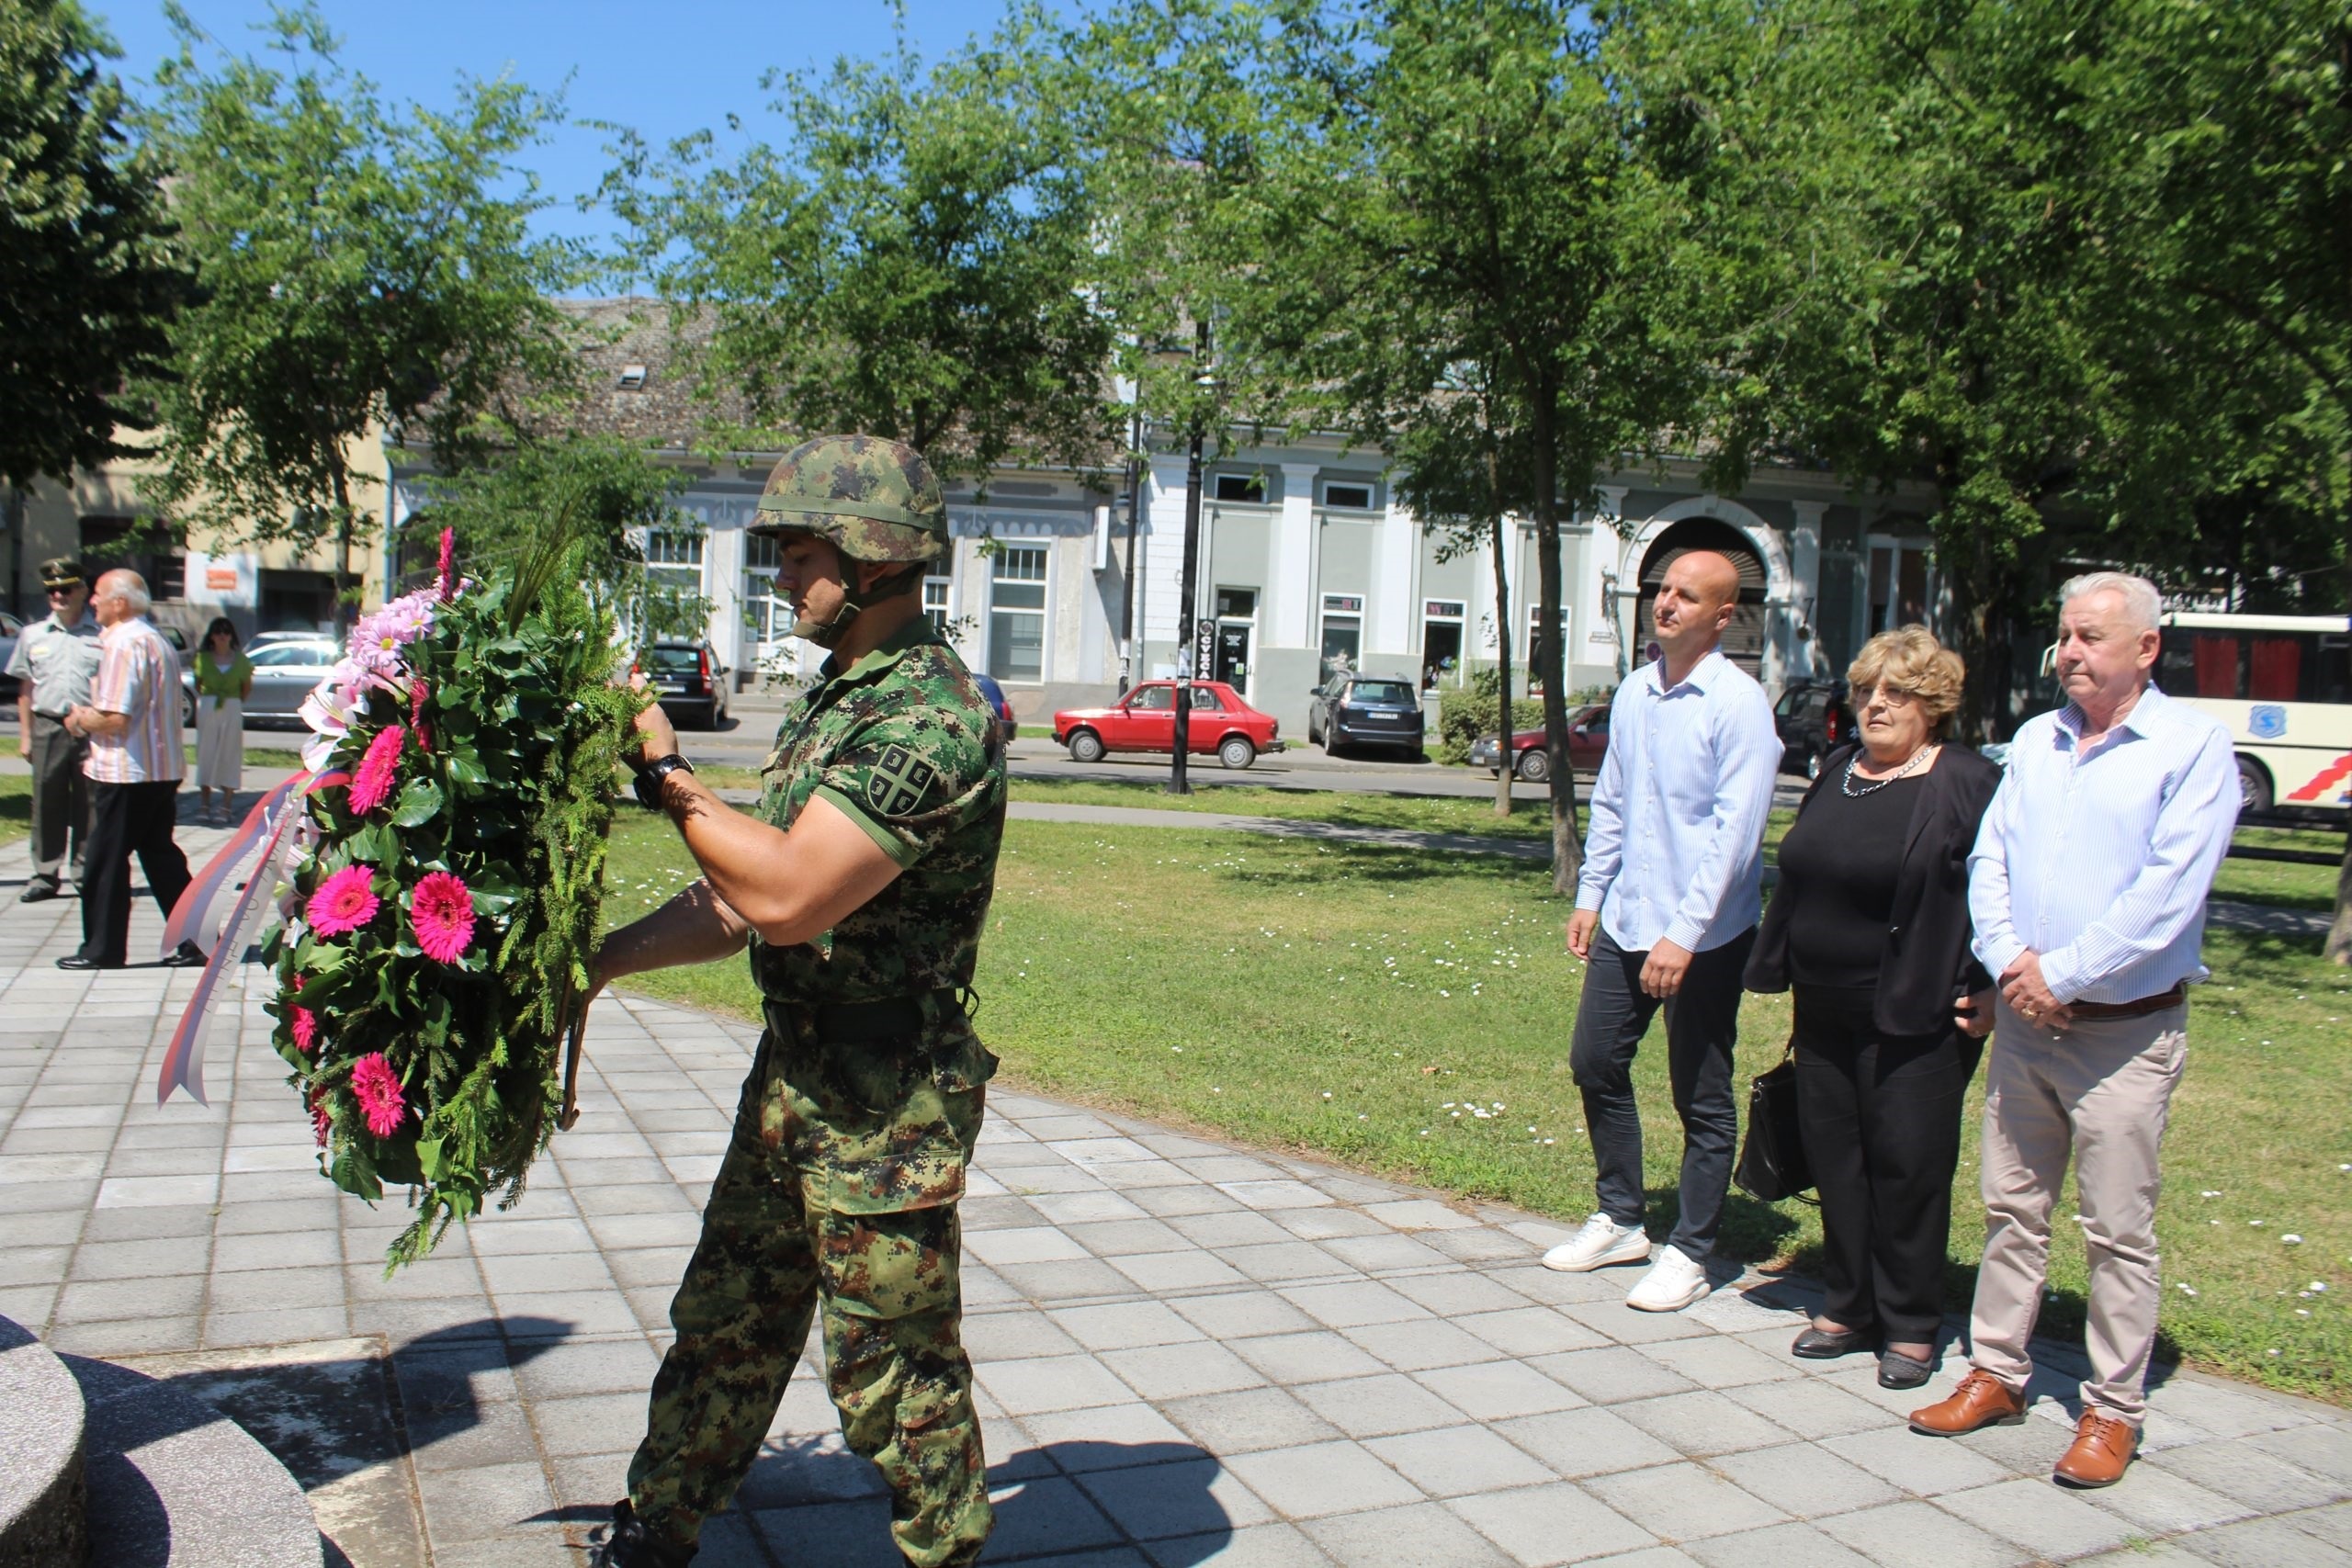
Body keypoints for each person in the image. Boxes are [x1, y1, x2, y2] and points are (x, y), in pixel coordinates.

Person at [590, 436, 1006, 1568]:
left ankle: (944, 1555)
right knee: (725, 1322)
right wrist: (598, 962)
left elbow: (785, 895)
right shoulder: (838, 699)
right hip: (797, 1076)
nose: (781, 574)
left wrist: (663, 775)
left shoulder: (928, 717)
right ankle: (657, 1527)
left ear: (874, 557)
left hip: (886, 1106)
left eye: (800, 550)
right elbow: (737, 900)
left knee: (892, 1376)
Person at [1910, 571, 2238, 1489]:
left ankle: (2111, 1411)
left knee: (2116, 1228)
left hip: (2123, 1034)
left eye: (2090, 637)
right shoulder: (2035, 741)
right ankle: (1996, 1371)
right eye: (2064, 635)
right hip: (2025, 1021)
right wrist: (2016, 959)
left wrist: (2066, 972)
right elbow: (1992, 858)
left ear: (2145, 648)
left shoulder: (2190, 748)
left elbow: (2168, 895)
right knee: (2012, 1208)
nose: (2069, 654)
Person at [1744, 626, 2001, 1389]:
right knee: (1839, 1159)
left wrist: (1988, 977)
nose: (1875, 705)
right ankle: (1850, 1302)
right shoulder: (1837, 769)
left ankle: (1913, 1321)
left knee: (1907, 1164)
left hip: (1921, 1008)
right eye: (1865, 690)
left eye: (1897, 692)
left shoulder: (1964, 780)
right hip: (1824, 1006)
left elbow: (2001, 888)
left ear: (1934, 705)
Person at [1545, 549, 1782, 1312]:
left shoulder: (1737, 703)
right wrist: (1591, 892)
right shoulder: (1639, 691)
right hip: (1628, 916)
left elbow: (1735, 836)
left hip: (1704, 935)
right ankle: (1621, 1218)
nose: (1666, 603)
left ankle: (1692, 1248)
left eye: (1687, 595)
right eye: (1662, 589)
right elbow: (1613, 802)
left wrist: (1684, 934)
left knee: (1701, 1094)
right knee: (1594, 1062)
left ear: (1722, 615)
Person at [58, 571, 204, 971]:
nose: (92, 601)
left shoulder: (125, 643)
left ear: (120, 602)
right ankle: (196, 941)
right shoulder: (154, 638)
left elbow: (114, 718)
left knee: (104, 860)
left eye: (99, 595)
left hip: (127, 771)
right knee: (161, 856)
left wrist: (79, 719)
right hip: (158, 768)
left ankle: (102, 949)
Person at [7, 558, 102, 902]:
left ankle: (83, 870)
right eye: (52, 590)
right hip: (47, 724)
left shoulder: (100, 635)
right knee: (47, 800)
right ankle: (45, 873)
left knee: (89, 801)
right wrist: (26, 735)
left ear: (82, 591)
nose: (58, 595)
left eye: (65, 589)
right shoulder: (33, 635)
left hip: (90, 727)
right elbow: (26, 689)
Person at [192, 616, 254, 825]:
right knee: (205, 752)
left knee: (230, 752)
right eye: (217, 631)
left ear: (231, 636)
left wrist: (231, 701)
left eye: (226, 631)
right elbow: (198, 684)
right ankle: (204, 803)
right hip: (209, 705)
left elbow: (246, 688)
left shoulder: (242, 661)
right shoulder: (202, 659)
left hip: (232, 705)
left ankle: (226, 804)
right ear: (211, 636)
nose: (221, 636)